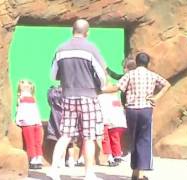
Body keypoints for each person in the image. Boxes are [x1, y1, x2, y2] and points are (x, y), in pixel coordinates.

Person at [48, 19, 107, 180]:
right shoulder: (91, 48)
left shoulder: (61, 49)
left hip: (67, 96)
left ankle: (54, 170)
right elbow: (102, 74)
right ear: (87, 32)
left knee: (65, 134)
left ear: (71, 30)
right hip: (88, 96)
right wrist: (100, 87)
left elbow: (53, 76)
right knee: (89, 136)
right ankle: (88, 174)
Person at [103, 52, 171, 180]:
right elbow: (167, 84)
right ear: (147, 63)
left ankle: (135, 171)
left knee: (134, 139)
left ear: (137, 62)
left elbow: (117, 87)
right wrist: (157, 97)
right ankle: (140, 174)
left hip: (131, 111)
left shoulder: (130, 74)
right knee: (144, 140)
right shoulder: (152, 75)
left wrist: (100, 90)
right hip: (146, 110)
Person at [15, 79, 43, 170]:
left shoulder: (21, 98)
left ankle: (34, 159)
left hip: (27, 123)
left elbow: (20, 110)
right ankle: (38, 158)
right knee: (37, 141)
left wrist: (18, 121)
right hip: (35, 122)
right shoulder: (32, 98)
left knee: (30, 141)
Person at [46, 86, 75, 167]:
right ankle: (71, 160)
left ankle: (62, 160)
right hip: (70, 123)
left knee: (62, 142)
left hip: (59, 124)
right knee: (70, 144)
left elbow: (49, 99)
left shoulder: (54, 103)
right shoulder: (69, 99)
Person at [98, 88, 127, 167]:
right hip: (119, 121)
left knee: (105, 139)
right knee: (115, 139)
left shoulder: (100, 97)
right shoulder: (115, 96)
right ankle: (117, 155)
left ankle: (109, 157)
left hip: (106, 120)